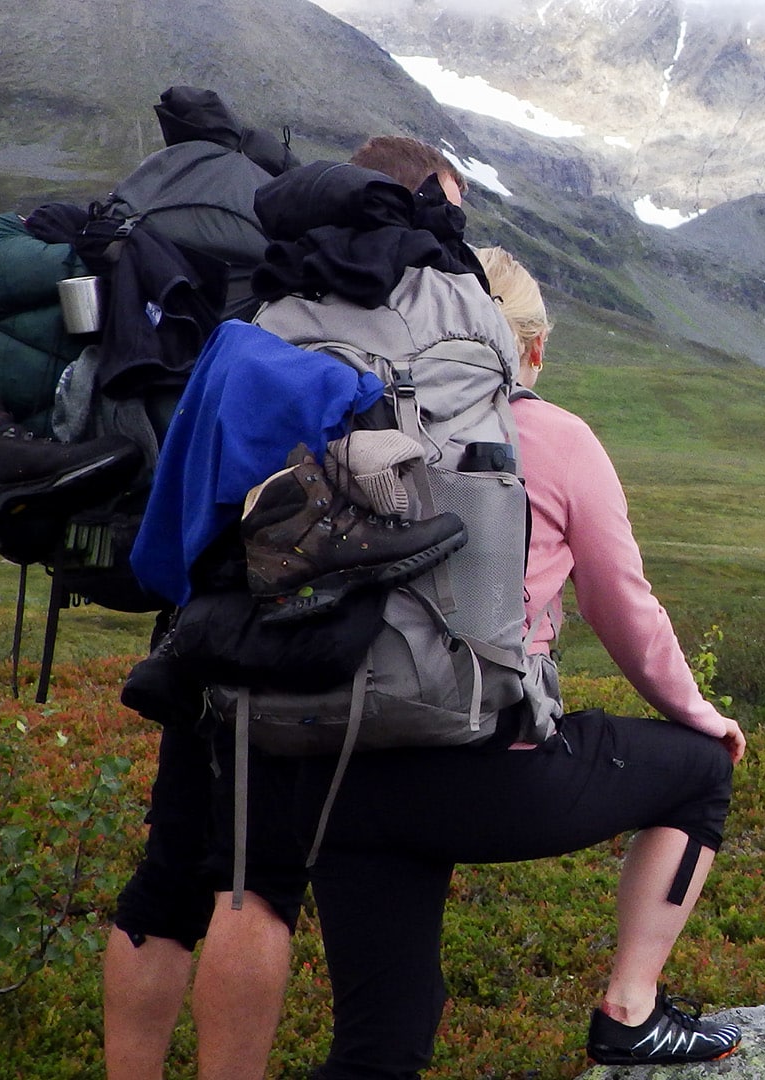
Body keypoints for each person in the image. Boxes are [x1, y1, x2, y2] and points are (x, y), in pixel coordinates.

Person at [267, 245, 746, 1078]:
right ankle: (631, 1011)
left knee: (380, 1045)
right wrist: (701, 714)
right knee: (699, 771)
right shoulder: (556, 437)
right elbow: (621, 606)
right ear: (525, 346)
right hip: (489, 770)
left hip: (337, 765)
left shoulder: (344, 420)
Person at [102, 137, 475, 1080]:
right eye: (449, 209)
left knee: (168, 879)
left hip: (198, 625)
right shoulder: (405, 305)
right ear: (415, 195)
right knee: (254, 887)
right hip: (291, 621)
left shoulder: (267, 293)